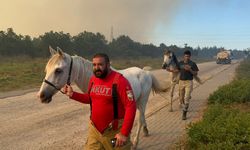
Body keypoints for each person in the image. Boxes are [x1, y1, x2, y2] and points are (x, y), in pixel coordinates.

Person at [63, 53, 136, 149]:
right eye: (94, 65)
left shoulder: (120, 81)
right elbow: (90, 98)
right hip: (95, 131)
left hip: (113, 133)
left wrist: (124, 133)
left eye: (100, 64)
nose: (97, 68)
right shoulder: (93, 80)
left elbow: (131, 106)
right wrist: (73, 94)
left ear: (108, 65)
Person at [179, 50, 199, 120]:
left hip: (189, 82)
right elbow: (177, 70)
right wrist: (170, 70)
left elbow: (196, 74)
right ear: (183, 56)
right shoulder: (180, 63)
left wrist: (190, 69)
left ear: (190, 56)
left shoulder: (193, 64)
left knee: (186, 98)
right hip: (181, 82)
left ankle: (184, 113)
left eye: (188, 56)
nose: (187, 57)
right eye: (185, 56)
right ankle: (184, 107)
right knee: (181, 99)